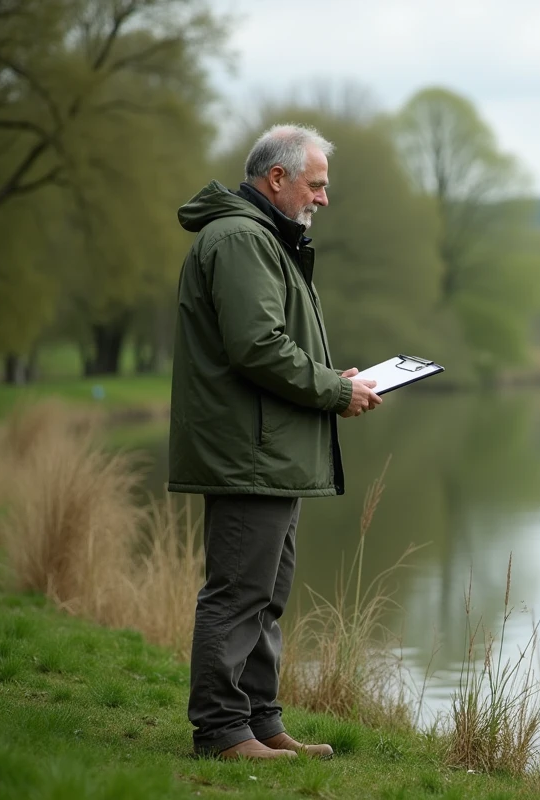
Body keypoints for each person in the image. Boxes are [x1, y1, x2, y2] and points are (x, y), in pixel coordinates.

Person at [167, 124, 382, 761]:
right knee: (237, 592)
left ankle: (261, 723)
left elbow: (274, 342)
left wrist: (330, 377)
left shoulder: (265, 239)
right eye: (316, 185)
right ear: (278, 179)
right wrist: (335, 393)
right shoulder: (239, 239)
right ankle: (221, 731)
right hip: (248, 453)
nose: (323, 198)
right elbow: (256, 347)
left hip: (272, 452)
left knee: (267, 594)